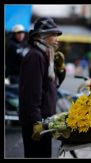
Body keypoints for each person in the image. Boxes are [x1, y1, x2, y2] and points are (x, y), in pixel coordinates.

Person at [19, 17, 66, 158]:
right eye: (53, 34)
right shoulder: (35, 57)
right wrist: (37, 122)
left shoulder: (46, 55)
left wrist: (60, 70)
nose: (57, 38)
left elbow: (53, 85)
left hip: (45, 121)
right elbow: (31, 94)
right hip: (37, 124)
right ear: (41, 36)